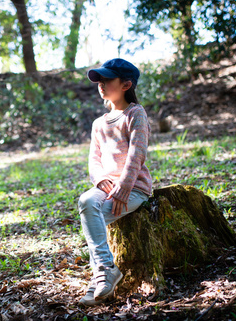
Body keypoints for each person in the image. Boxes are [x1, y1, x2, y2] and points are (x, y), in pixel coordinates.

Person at [78, 58, 153, 306]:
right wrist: (99, 179)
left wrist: (124, 187)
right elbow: (94, 159)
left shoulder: (135, 114)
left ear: (126, 84)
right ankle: (105, 271)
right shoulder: (99, 123)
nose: (101, 84)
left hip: (134, 190)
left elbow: (137, 153)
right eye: (99, 79)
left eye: (107, 79)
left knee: (93, 223)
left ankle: (99, 278)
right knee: (87, 201)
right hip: (108, 189)